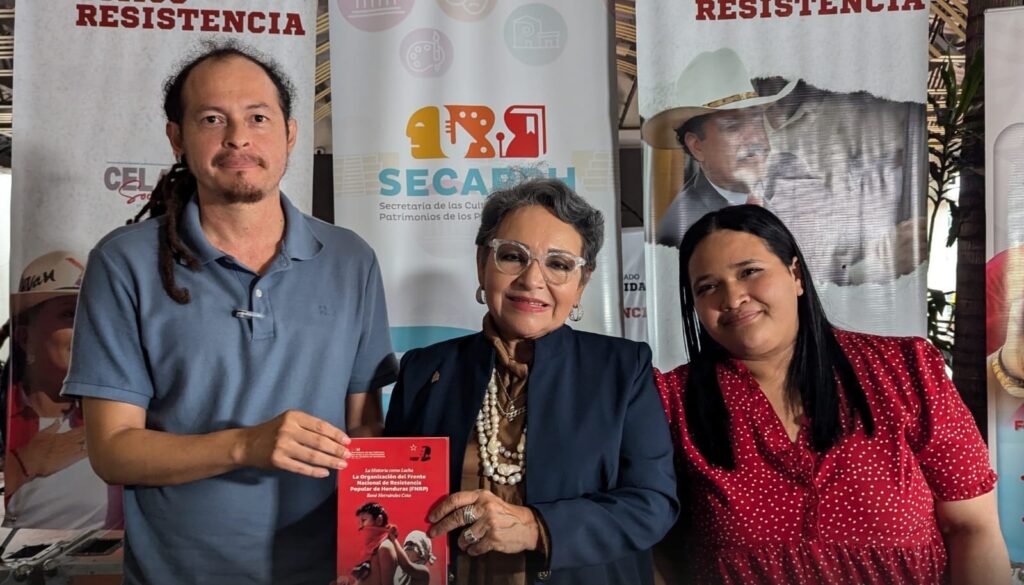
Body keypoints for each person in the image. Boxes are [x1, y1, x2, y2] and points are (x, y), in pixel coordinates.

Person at [61, 41, 398, 585]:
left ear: (289, 133)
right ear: (178, 137)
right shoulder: (123, 263)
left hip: (328, 572)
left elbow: (363, 426)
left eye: (258, 117)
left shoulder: (350, 259)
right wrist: (246, 444)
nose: (239, 137)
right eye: (212, 118)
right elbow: (113, 450)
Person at [654, 204, 1008, 584]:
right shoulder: (670, 402)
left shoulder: (904, 370)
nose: (733, 297)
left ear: (795, 275)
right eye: (708, 287)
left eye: (749, 272)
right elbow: (659, 553)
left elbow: (972, 528)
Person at [385, 178, 678, 585]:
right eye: (512, 256)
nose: (531, 280)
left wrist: (534, 527)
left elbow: (653, 504)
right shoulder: (424, 370)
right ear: (482, 265)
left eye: (558, 264)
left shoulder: (622, 369)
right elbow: (392, 498)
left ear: (582, 283)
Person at [642, 48, 924, 286]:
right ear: (697, 146)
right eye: (733, 126)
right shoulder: (684, 226)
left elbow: (835, 243)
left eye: (756, 119)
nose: (755, 138)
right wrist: (872, 268)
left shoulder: (786, 169)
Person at [2, 251, 118, 530]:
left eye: (92, 314)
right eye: (69, 314)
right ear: (25, 337)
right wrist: (24, 463)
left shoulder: (127, 408)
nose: (88, 327)